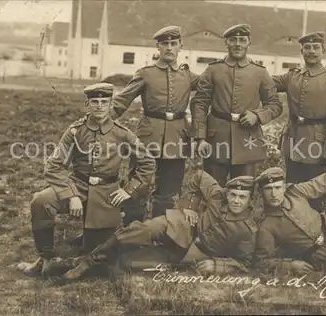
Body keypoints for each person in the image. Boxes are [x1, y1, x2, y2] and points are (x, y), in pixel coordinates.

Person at [18, 83, 156, 277]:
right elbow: (54, 166)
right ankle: (45, 257)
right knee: (40, 201)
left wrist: (128, 190)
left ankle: (81, 253)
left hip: (107, 193)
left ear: (110, 104)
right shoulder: (75, 131)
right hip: (78, 185)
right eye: (94, 102)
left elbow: (148, 161)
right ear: (87, 104)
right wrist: (71, 195)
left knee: (96, 259)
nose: (99, 106)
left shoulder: (122, 133)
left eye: (104, 102)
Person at [60, 173, 258, 281]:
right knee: (141, 230)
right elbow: (198, 177)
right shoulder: (217, 195)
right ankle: (89, 260)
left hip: (193, 251)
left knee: (131, 263)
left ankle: (71, 264)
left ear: (250, 200)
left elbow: (246, 263)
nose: (236, 201)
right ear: (227, 193)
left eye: (242, 197)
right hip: (183, 225)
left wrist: (217, 265)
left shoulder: (248, 230)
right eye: (233, 195)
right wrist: (191, 206)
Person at [109, 25, 200, 221]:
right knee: (138, 185)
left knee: (168, 192)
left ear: (180, 46)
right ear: (157, 47)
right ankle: (133, 233)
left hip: (177, 138)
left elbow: (212, 88)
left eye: (173, 44)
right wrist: (99, 123)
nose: (169, 48)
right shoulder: (146, 73)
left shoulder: (188, 75)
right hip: (148, 137)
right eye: (165, 44)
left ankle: (160, 233)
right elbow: (122, 100)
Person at [191, 24, 282, 186]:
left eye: (242, 40)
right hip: (216, 139)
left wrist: (257, 115)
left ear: (249, 42)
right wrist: (200, 138)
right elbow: (200, 103)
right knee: (211, 190)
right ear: (226, 42)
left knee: (244, 191)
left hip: (247, 141)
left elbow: (275, 104)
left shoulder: (260, 72)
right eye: (233, 40)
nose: (238, 44)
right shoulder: (213, 70)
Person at [272, 31, 326, 211]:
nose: (311, 51)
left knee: (314, 196)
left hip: (318, 147)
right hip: (293, 143)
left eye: (316, 47)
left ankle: (315, 235)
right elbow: (263, 82)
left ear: (323, 50)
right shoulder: (292, 76)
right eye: (307, 48)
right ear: (301, 51)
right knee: (291, 192)